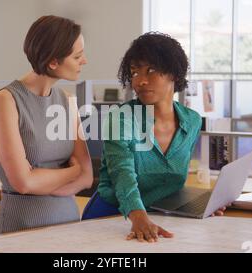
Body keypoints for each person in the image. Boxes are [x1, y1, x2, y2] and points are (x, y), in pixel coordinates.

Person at [88, 32, 226, 242]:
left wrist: (203, 203)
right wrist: (137, 215)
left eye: (150, 70)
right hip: (113, 216)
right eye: (134, 72)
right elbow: (122, 173)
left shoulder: (192, 121)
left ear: (175, 74)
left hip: (163, 216)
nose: (140, 81)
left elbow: (171, 181)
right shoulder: (121, 118)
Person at [0, 15, 93, 234]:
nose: (84, 61)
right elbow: (23, 183)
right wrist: (70, 171)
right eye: (77, 56)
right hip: (21, 229)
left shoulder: (67, 100)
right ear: (53, 62)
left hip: (69, 225)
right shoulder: (6, 100)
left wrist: (42, 179)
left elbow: (86, 175)